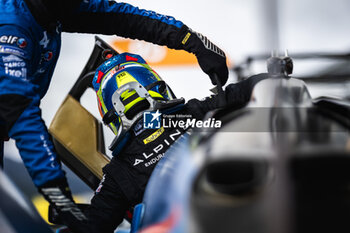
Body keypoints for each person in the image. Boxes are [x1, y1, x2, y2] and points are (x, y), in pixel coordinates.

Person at [0, 0, 228, 232]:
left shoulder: (52, 8)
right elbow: (21, 112)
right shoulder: (10, 26)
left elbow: (121, 17)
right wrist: (60, 197)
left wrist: (189, 40)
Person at [88, 52, 266, 233]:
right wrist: (273, 79)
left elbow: (93, 224)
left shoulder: (119, 171)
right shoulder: (192, 113)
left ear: (110, 111)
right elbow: (245, 90)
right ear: (154, 85)